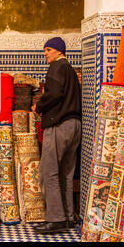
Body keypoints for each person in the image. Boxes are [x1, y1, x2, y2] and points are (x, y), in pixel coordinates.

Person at [31, 37, 82, 234]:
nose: (46, 53)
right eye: (45, 50)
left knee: (47, 172)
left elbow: (53, 94)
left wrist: (39, 106)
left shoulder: (56, 67)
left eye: (49, 49)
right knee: (66, 174)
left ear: (59, 51)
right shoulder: (70, 70)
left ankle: (55, 219)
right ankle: (69, 217)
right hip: (75, 126)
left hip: (59, 125)